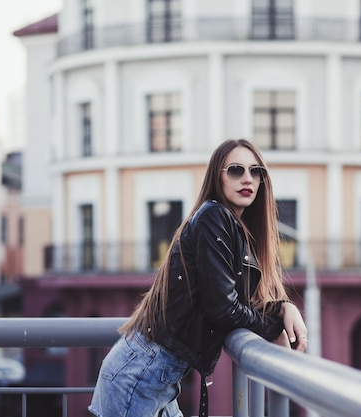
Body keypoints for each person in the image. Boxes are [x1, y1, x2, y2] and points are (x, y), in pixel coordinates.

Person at [88, 139, 308, 417]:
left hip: (155, 375)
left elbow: (231, 298)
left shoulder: (229, 224)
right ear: (218, 175)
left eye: (256, 172)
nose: (247, 179)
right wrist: (272, 327)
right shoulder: (214, 217)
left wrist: (282, 307)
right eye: (236, 170)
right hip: (140, 375)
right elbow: (224, 310)